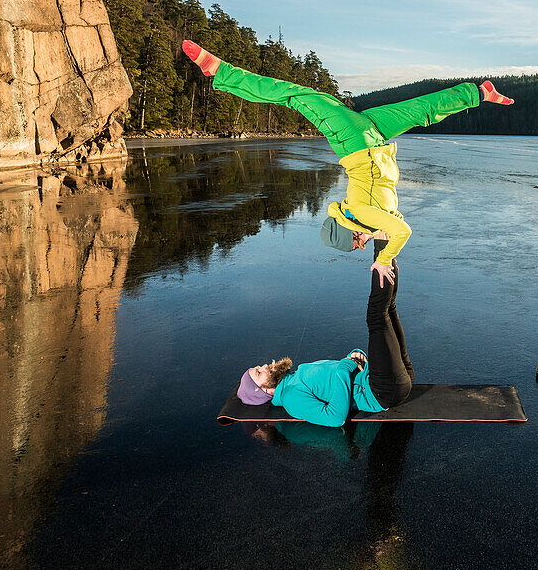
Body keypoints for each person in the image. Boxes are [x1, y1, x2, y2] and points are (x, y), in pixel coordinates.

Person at [182, 40, 513, 285]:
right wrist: (378, 232)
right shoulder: (369, 215)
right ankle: (480, 93)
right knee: (421, 111)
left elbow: (403, 231)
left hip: (353, 141)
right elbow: (393, 219)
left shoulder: (365, 214)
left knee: (296, 95)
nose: (362, 242)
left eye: (356, 241)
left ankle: (221, 71)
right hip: (374, 140)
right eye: (360, 244)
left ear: (349, 230)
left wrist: (384, 259)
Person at [236, 240, 414, 425]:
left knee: (388, 309)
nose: (264, 366)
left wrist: (354, 358)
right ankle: (382, 244)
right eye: (258, 372)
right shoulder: (291, 399)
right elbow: (334, 418)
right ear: (262, 390)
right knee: (377, 316)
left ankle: (387, 254)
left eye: (258, 367)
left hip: (384, 380)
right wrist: (346, 367)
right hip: (382, 391)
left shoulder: (295, 376)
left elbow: (336, 376)